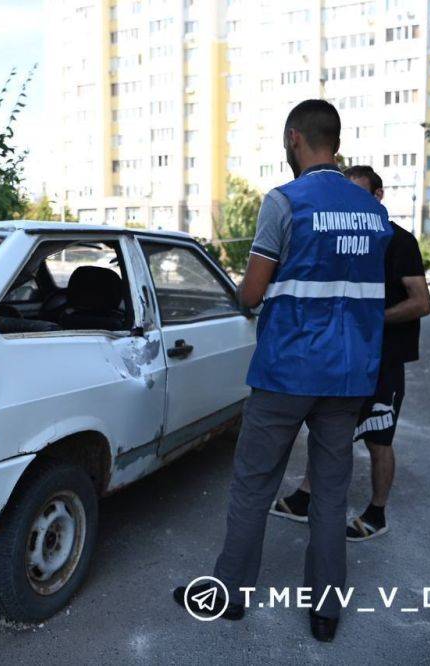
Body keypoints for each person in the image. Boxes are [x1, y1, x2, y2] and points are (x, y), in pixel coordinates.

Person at [173, 100, 393, 642]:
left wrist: (241, 297)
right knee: (331, 493)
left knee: (253, 485)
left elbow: (251, 292)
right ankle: (325, 612)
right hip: (347, 377)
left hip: (286, 371)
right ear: (334, 142)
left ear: (295, 138)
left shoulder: (285, 202)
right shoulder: (374, 212)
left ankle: (229, 595)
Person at [271, 165, 430, 543]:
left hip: (384, 359)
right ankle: (307, 496)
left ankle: (377, 512)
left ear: (378, 197)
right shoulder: (344, 239)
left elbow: (421, 302)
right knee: (327, 428)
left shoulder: (399, 241)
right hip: (342, 356)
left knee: (379, 438)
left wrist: (372, 318)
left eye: (361, 196)